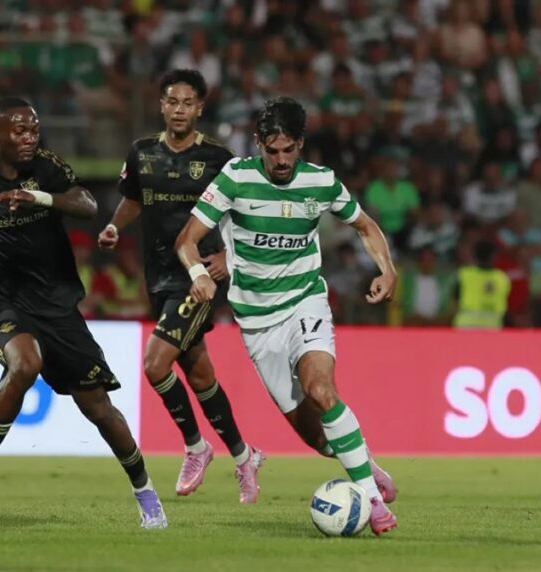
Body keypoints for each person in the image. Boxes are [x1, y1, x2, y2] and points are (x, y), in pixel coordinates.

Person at [0, 98, 167, 529]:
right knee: (25, 364)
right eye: (19, 131)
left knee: (98, 408)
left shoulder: (47, 168)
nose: (29, 138)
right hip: (1, 300)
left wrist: (37, 197)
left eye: (34, 130)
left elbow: (88, 205)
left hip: (57, 306)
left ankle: (145, 492)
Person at [175, 97, 399, 535]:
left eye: (289, 150)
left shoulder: (321, 182)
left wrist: (387, 269)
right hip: (257, 324)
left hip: (304, 301)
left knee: (321, 389)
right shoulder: (236, 178)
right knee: (318, 440)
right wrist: (198, 273)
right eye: (272, 150)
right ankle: (367, 464)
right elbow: (187, 239)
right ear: (258, 143)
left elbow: (365, 226)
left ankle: (372, 501)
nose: (280, 160)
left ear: (301, 144)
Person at [97, 69, 261, 502]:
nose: (179, 110)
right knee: (199, 372)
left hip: (199, 277)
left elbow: (246, 213)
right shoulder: (142, 152)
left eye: (188, 103)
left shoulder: (219, 158)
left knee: (155, 364)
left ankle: (195, 447)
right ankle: (244, 457)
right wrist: (114, 226)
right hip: (158, 276)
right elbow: (134, 199)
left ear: (200, 108)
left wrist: (228, 258)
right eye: (172, 101)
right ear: (162, 105)